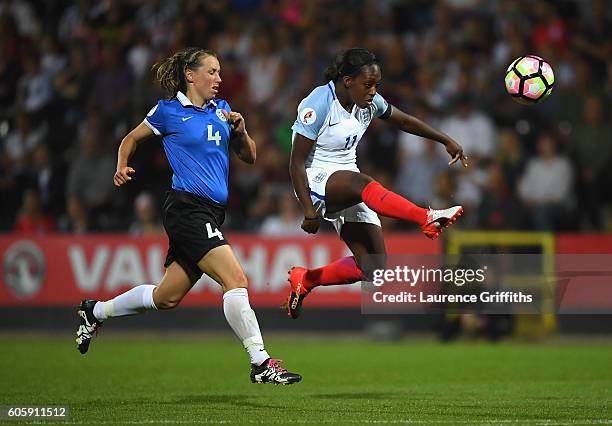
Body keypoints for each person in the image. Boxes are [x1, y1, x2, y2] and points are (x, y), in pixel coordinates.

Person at [75, 47, 301, 385]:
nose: (219, 79)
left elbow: (251, 156)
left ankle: (95, 310)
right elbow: (130, 139)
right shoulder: (168, 112)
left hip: (210, 212)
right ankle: (260, 362)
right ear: (190, 75)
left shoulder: (222, 111)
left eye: (220, 72)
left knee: (165, 297)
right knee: (236, 280)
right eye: (212, 72)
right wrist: (121, 165)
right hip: (186, 209)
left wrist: (240, 130)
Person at [287, 48, 467, 319]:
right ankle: (425, 217)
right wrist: (308, 210)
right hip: (314, 178)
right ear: (348, 81)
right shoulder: (319, 103)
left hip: (347, 177)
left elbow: (404, 120)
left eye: (376, 85)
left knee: (374, 267)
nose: (372, 91)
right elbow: (296, 163)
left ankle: (307, 279)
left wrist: (445, 140)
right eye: (367, 85)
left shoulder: (367, 103)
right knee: (364, 183)